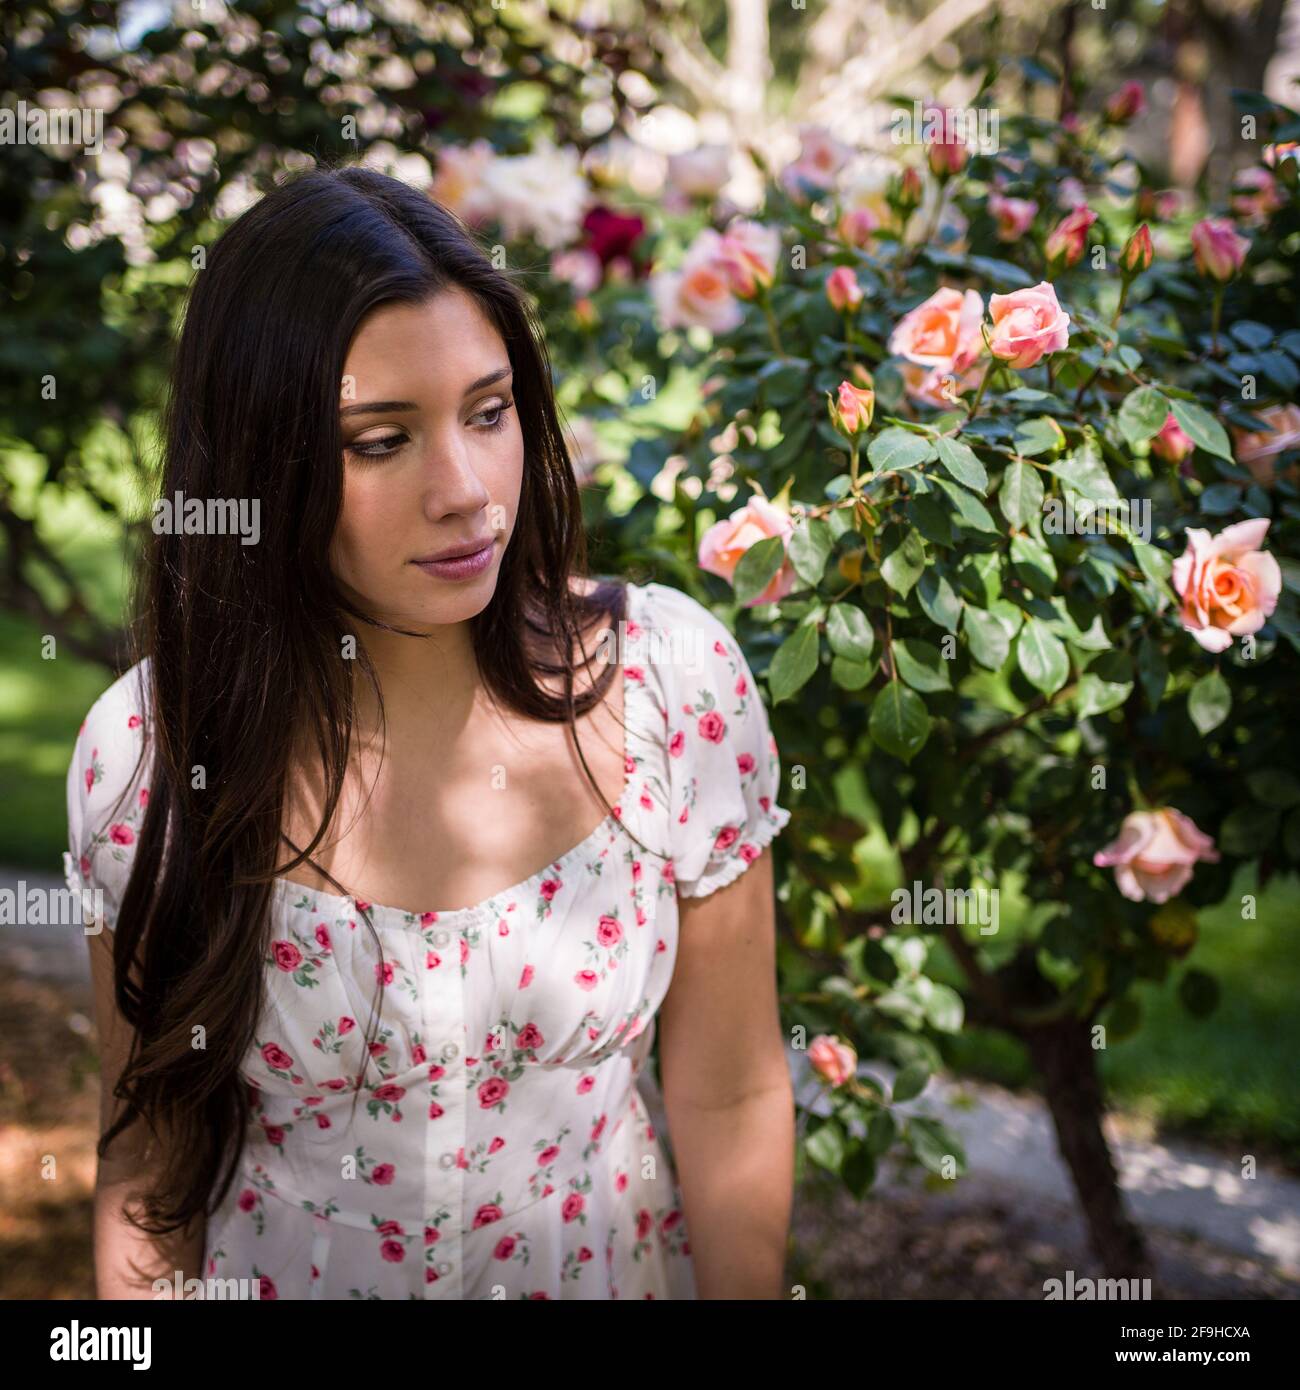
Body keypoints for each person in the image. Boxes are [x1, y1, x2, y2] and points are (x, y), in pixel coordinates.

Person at [65, 165, 795, 1301]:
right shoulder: (150, 758)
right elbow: (150, 1159)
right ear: (264, 461)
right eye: (379, 439)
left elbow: (731, 1092)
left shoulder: (672, 686)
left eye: (489, 412)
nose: (465, 490)